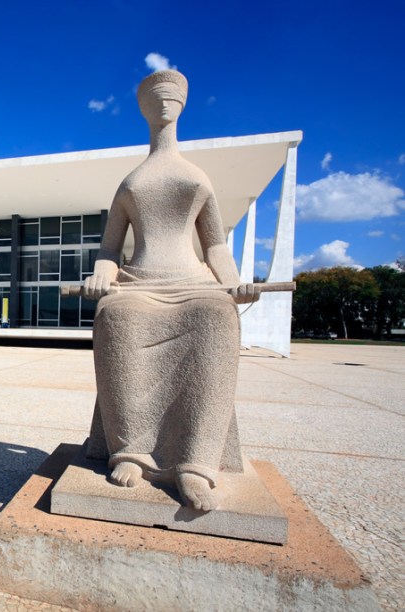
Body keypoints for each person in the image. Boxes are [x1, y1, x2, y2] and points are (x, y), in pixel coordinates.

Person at [83, 69, 260, 511]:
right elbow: (109, 248)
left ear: (183, 105)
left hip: (193, 282)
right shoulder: (131, 182)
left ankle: (194, 464)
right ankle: (131, 451)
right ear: (144, 108)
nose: (165, 105)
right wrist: (102, 271)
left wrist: (233, 280)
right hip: (140, 282)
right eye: (156, 99)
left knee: (216, 317)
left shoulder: (196, 177)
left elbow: (215, 244)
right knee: (116, 318)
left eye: (173, 98)